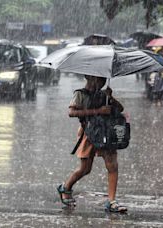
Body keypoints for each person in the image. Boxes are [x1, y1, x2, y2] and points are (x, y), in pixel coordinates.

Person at [57, 75, 127, 213]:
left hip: (105, 133)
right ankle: (66, 187)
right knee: (85, 168)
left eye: (103, 80)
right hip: (89, 133)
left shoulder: (103, 94)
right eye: (99, 79)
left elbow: (120, 109)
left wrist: (110, 98)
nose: (102, 82)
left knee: (112, 165)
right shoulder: (80, 94)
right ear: (89, 77)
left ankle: (111, 201)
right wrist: (97, 111)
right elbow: (72, 112)